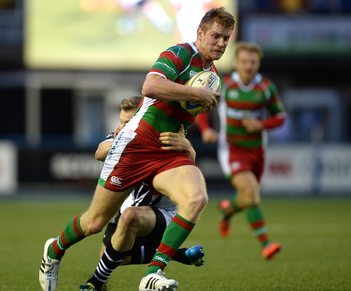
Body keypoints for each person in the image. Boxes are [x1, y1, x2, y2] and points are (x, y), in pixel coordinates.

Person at [39, 7, 235, 291]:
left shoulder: (212, 74)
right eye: (216, 36)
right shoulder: (180, 53)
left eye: (226, 38)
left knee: (196, 199)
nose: (221, 43)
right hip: (137, 144)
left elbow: (183, 116)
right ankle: (54, 250)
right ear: (200, 34)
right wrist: (195, 93)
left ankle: (153, 274)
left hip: (168, 151)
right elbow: (151, 85)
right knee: (94, 222)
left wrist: (187, 143)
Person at [80, 96, 204, 291]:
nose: (124, 126)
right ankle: (179, 254)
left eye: (129, 122)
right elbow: (99, 152)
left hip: (163, 214)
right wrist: (121, 138)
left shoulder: (165, 139)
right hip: (131, 206)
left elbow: (188, 167)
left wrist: (188, 148)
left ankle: (94, 283)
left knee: (130, 218)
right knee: (116, 255)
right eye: (122, 122)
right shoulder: (121, 135)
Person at [196, 41, 286, 260]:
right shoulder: (224, 85)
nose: (248, 66)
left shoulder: (265, 88)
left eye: (253, 62)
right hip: (232, 149)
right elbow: (201, 108)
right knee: (251, 192)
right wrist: (206, 130)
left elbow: (280, 117)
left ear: (258, 64)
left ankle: (228, 209)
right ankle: (266, 243)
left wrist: (261, 125)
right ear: (236, 62)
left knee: (249, 196)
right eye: (244, 61)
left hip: (257, 150)